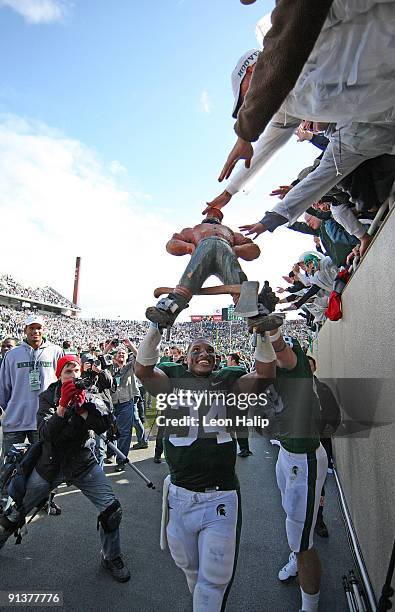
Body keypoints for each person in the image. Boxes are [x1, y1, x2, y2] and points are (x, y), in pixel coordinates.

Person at [135, 323, 277, 611]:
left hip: (220, 496)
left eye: (210, 351)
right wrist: (155, 328)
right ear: (185, 360)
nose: (204, 354)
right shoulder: (172, 380)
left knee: (214, 579)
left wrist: (263, 334)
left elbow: (265, 373)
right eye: (196, 350)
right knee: (191, 570)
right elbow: (143, 370)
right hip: (179, 496)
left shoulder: (228, 382)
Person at [0, 355, 130, 582]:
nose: (72, 375)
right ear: (59, 375)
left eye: (76, 370)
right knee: (17, 508)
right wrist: (61, 408)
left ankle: (111, 557)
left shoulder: (90, 394)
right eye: (67, 371)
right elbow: (44, 434)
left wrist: (83, 409)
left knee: (112, 510)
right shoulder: (47, 396)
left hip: (81, 462)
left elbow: (105, 425)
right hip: (49, 465)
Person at [266, 327, 328, 612]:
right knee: (292, 519)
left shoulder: (295, 370)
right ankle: (296, 554)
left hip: (304, 459)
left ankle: (310, 606)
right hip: (287, 455)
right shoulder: (279, 379)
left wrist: (273, 333)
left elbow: (283, 355)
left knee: (302, 540)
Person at [145, 207, 281, 331]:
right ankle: (169, 309)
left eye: (217, 214)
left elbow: (254, 250)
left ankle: (254, 316)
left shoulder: (230, 233)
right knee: (192, 273)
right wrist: (188, 247)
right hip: (203, 249)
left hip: (226, 252)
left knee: (238, 280)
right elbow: (171, 244)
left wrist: (237, 249)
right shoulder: (192, 230)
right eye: (211, 213)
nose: (213, 215)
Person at [0, 315, 63, 494]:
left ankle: (42, 500)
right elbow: (3, 385)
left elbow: (62, 381)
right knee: (8, 463)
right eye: (31, 328)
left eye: (38, 328)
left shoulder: (55, 351)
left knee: (45, 464)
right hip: (15, 418)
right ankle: (5, 499)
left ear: (43, 330)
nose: (35, 331)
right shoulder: (12, 354)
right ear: (25, 330)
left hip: (43, 420)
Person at [307, 355, 341, 538]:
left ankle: (318, 520)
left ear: (314, 368)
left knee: (319, 485)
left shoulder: (323, 389)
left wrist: (326, 433)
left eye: (310, 365)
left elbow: (335, 415)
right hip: (297, 448)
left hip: (319, 444)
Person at [108, 345, 147, 472]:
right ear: (114, 356)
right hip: (111, 403)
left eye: (123, 352)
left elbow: (140, 357)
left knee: (124, 433)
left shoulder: (130, 366)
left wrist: (129, 344)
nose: (121, 354)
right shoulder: (109, 367)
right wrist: (109, 346)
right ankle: (110, 453)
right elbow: (99, 358)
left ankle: (121, 460)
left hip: (126, 402)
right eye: (118, 352)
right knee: (111, 431)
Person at [226, 353, 252, 458]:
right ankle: (242, 448)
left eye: (228, 360)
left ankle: (244, 449)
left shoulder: (239, 371)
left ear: (233, 361)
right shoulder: (232, 371)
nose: (227, 362)